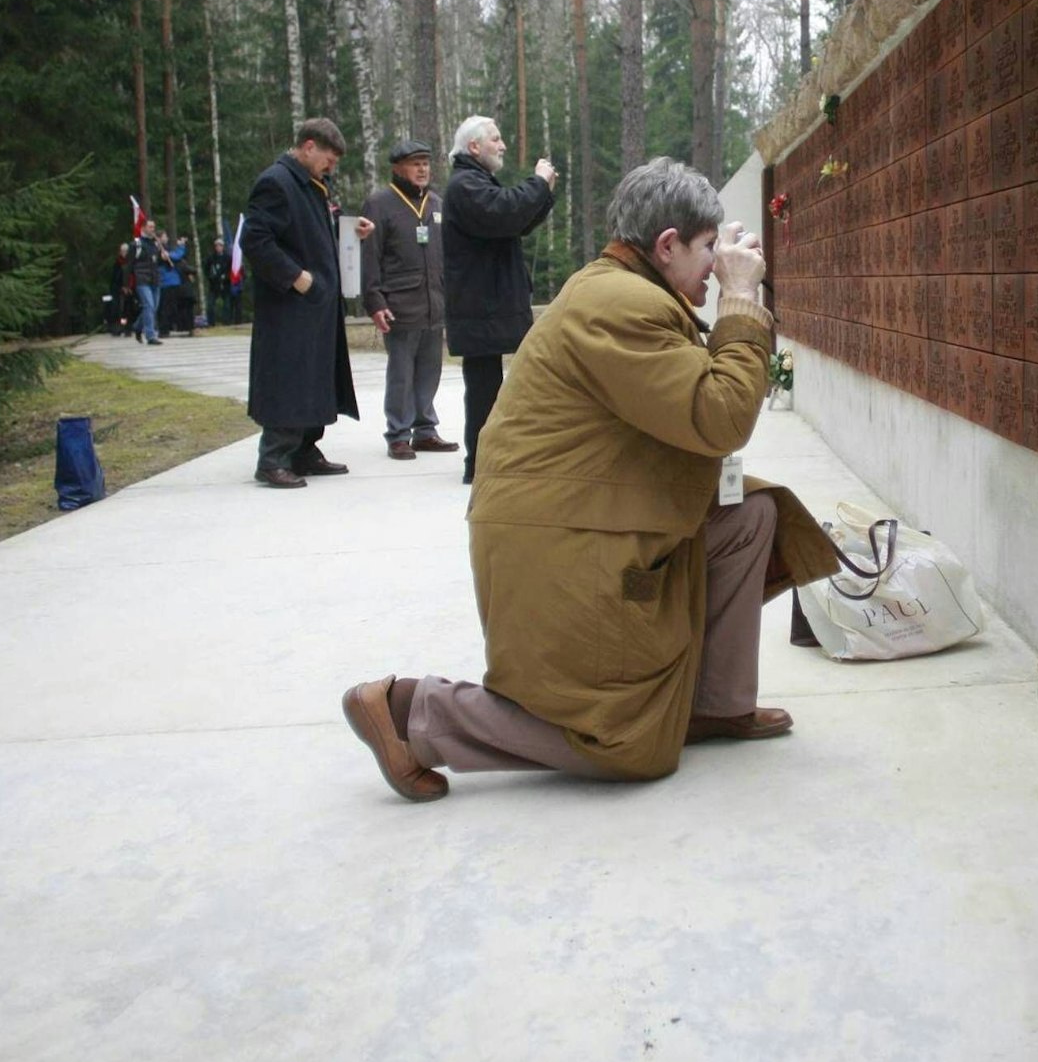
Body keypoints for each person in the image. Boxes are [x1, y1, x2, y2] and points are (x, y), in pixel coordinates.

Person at [340, 157, 839, 801]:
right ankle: (412, 713)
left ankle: (713, 706)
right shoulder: (620, 304)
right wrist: (742, 302)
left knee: (750, 516)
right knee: (629, 745)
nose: (718, 265)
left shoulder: (630, 291)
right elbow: (720, 418)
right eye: (709, 248)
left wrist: (730, 300)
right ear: (666, 246)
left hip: (585, 521)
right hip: (561, 545)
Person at [240, 118, 374, 488]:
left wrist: (349, 231)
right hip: (289, 307)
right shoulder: (276, 182)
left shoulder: (314, 186)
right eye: (328, 159)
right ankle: (273, 458)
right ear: (308, 146)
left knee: (316, 379)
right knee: (291, 378)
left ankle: (304, 450)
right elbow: (255, 240)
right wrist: (297, 278)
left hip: (317, 305)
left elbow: (312, 232)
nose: (332, 167)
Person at [441, 115, 556, 484]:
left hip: (488, 305)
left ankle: (495, 458)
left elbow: (515, 221)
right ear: (474, 147)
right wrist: (537, 182)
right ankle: (481, 464)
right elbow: (505, 209)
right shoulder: (464, 185)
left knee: (499, 386)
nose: (503, 145)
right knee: (485, 390)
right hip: (481, 306)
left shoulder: (474, 181)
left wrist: (543, 193)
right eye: (496, 138)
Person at [361, 139, 459, 460]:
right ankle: (398, 434)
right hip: (400, 304)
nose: (422, 169)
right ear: (397, 168)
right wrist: (375, 302)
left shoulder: (437, 204)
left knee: (430, 369)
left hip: (435, 302)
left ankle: (425, 431)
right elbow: (370, 257)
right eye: (415, 163)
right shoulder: (380, 204)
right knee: (401, 371)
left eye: (426, 163)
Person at [130, 222, 167, 345]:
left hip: (155, 279)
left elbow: (157, 263)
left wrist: (163, 258)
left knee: (153, 307)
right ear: (143, 228)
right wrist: (127, 284)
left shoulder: (156, 245)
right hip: (142, 279)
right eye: (150, 227)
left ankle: (137, 326)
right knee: (149, 306)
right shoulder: (137, 244)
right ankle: (150, 335)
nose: (153, 229)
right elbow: (129, 265)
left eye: (154, 227)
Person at [204, 238, 231, 329]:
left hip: (225, 283)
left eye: (220, 246)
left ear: (223, 247)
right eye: (216, 246)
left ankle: (226, 322)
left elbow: (231, 270)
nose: (218, 247)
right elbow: (206, 269)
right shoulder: (211, 257)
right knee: (210, 305)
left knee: (227, 305)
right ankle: (211, 323)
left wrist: (226, 277)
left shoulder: (228, 257)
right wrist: (210, 277)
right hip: (214, 284)